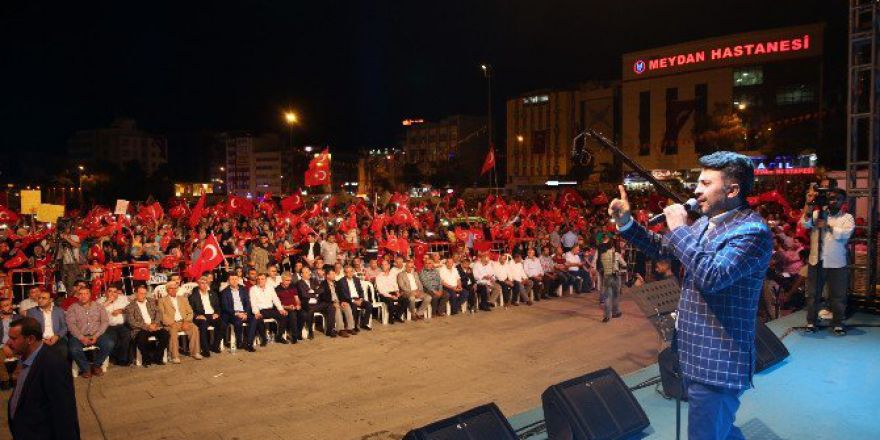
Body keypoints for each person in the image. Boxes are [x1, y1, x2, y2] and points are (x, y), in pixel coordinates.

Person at [609, 151, 772, 440]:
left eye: (706, 183)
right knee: (720, 430)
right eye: (698, 182)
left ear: (732, 190)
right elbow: (663, 248)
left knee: (706, 434)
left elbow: (712, 276)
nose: (696, 190)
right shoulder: (704, 223)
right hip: (694, 353)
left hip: (718, 361)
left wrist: (680, 229)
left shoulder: (752, 232)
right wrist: (626, 223)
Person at [6, 317, 80, 439]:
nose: (8, 342)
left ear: (30, 339)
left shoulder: (53, 365)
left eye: (13, 338)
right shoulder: (24, 359)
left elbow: (65, 414)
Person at [801, 187, 855, 335]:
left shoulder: (847, 218)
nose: (834, 201)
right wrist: (809, 204)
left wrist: (828, 226)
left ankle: (838, 323)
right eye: (831, 198)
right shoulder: (818, 213)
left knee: (838, 295)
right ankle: (811, 322)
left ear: (843, 202)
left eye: (838, 199)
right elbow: (804, 223)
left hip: (837, 262)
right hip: (816, 260)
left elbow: (845, 234)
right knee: (813, 294)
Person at [65, 287, 114, 378]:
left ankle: (96, 365)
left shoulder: (99, 306)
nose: (83, 296)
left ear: (90, 295)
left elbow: (105, 321)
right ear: (77, 296)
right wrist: (81, 337)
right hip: (79, 335)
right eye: (81, 294)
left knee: (109, 343)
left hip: (97, 334)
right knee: (74, 349)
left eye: (86, 293)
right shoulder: (72, 308)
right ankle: (86, 369)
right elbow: (71, 325)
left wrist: (96, 335)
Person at [125, 285, 170, 367]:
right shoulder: (130, 307)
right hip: (141, 328)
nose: (143, 295)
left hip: (154, 326)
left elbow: (159, 313)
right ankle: (146, 360)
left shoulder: (151, 301)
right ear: (135, 294)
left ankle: (157, 357)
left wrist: (155, 323)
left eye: (145, 293)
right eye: (141, 293)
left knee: (165, 335)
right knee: (141, 338)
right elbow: (131, 322)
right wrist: (147, 326)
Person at [158, 281, 202, 363]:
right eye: (171, 288)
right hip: (171, 323)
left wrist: (186, 321)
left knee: (194, 328)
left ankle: (195, 352)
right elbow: (162, 315)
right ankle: (174, 356)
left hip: (184, 321)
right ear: (167, 290)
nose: (174, 290)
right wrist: (172, 323)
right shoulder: (162, 300)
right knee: (173, 332)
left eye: (175, 288)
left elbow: (190, 312)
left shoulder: (183, 299)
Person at [188, 275, 227, 356]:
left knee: (222, 325)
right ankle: (205, 350)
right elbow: (190, 309)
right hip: (201, 316)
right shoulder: (193, 296)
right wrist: (196, 316)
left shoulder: (213, 294)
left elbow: (217, 307)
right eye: (202, 283)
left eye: (206, 283)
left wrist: (217, 313)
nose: (204, 285)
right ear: (198, 284)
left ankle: (215, 346)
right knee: (203, 326)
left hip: (212, 315)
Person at [249, 273, 290, 345]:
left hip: (271, 309)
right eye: (258, 279)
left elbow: (275, 299)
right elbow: (253, 303)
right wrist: (256, 312)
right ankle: (264, 339)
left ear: (265, 280)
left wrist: (281, 309)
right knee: (259, 318)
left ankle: (279, 337)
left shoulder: (270, 288)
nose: (260, 281)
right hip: (260, 310)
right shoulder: (253, 289)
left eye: (262, 279)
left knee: (283, 315)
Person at [220, 274, 258, 352]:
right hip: (232, 314)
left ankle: (249, 344)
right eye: (232, 279)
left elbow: (247, 303)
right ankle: (239, 342)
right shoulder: (224, 292)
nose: (234, 281)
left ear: (238, 280)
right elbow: (225, 307)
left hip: (244, 312)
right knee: (238, 321)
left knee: (254, 319)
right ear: (228, 281)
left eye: (235, 279)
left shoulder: (243, 289)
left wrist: (246, 313)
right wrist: (237, 313)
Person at [27, 291, 68, 362]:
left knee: (63, 350)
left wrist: (57, 336)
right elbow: (30, 329)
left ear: (51, 300)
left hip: (57, 338)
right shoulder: (32, 312)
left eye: (44, 298)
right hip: (39, 339)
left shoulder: (59, 311)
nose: (40, 300)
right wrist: (42, 340)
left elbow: (64, 327)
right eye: (39, 298)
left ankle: (60, 371)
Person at [296, 266, 338, 338]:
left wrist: (314, 291)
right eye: (306, 272)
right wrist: (315, 293)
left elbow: (321, 290)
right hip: (307, 303)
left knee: (331, 307)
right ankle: (310, 331)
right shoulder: (299, 283)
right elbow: (304, 295)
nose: (309, 273)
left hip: (318, 303)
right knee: (310, 310)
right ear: (301, 274)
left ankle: (330, 330)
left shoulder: (313, 280)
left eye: (309, 271)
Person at [98, 285, 131, 366]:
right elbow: (96, 312)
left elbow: (131, 308)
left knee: (126, 335)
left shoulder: (123, 299)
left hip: (122, 324)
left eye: (115, 291)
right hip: (107, 326)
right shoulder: (100, 301)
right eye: (110, 291)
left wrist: (122, 310)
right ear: (106, 292)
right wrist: (108, 301)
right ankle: (114, 357)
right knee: (112, 338)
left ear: (117, 293)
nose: (112, 293)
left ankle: (122, 359)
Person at [597, 236, 627, 322]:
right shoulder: (616, 254)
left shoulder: (603, 255)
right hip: (615, 276)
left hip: (606, 276)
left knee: (607, 297)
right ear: (613, 246)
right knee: (616, 296)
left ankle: (607, 316)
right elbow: (624, 264)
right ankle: (615, 312)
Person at [338, 266, 373, 330]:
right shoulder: (341, 281)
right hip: (348, 299)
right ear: (345, 273)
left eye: (351, 271)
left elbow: (361, 290)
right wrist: (353, 300)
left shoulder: (356, 279)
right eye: (348, 272)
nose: (350, 273)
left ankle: (364, 323)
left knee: (369, 305)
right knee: (353, 306)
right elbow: (343, 295)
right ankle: (354, 326)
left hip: (358, 298)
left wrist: (361, 298)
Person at [275, 272, 303, 342]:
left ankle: (299, 333)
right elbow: (278, 304)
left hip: (294, 307)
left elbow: (297, 299)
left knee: (304, 314)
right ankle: (294, 337)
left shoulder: (292, 286)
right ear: (282, 280)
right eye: (287, 280)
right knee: (292, 315)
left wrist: (298, 305)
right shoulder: (277, 289)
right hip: (285, 308)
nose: (288, 282)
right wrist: (287, 307)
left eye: (290, 280)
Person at [0, 298, 20, 389]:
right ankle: (5, 380)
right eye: (5, 305)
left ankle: (15, 377)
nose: (9, 307)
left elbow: (23, 334)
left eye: (9, 304)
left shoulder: (19, 318)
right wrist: (3, 346)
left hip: (17, 344)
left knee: (25, 353)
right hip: (2, 345)